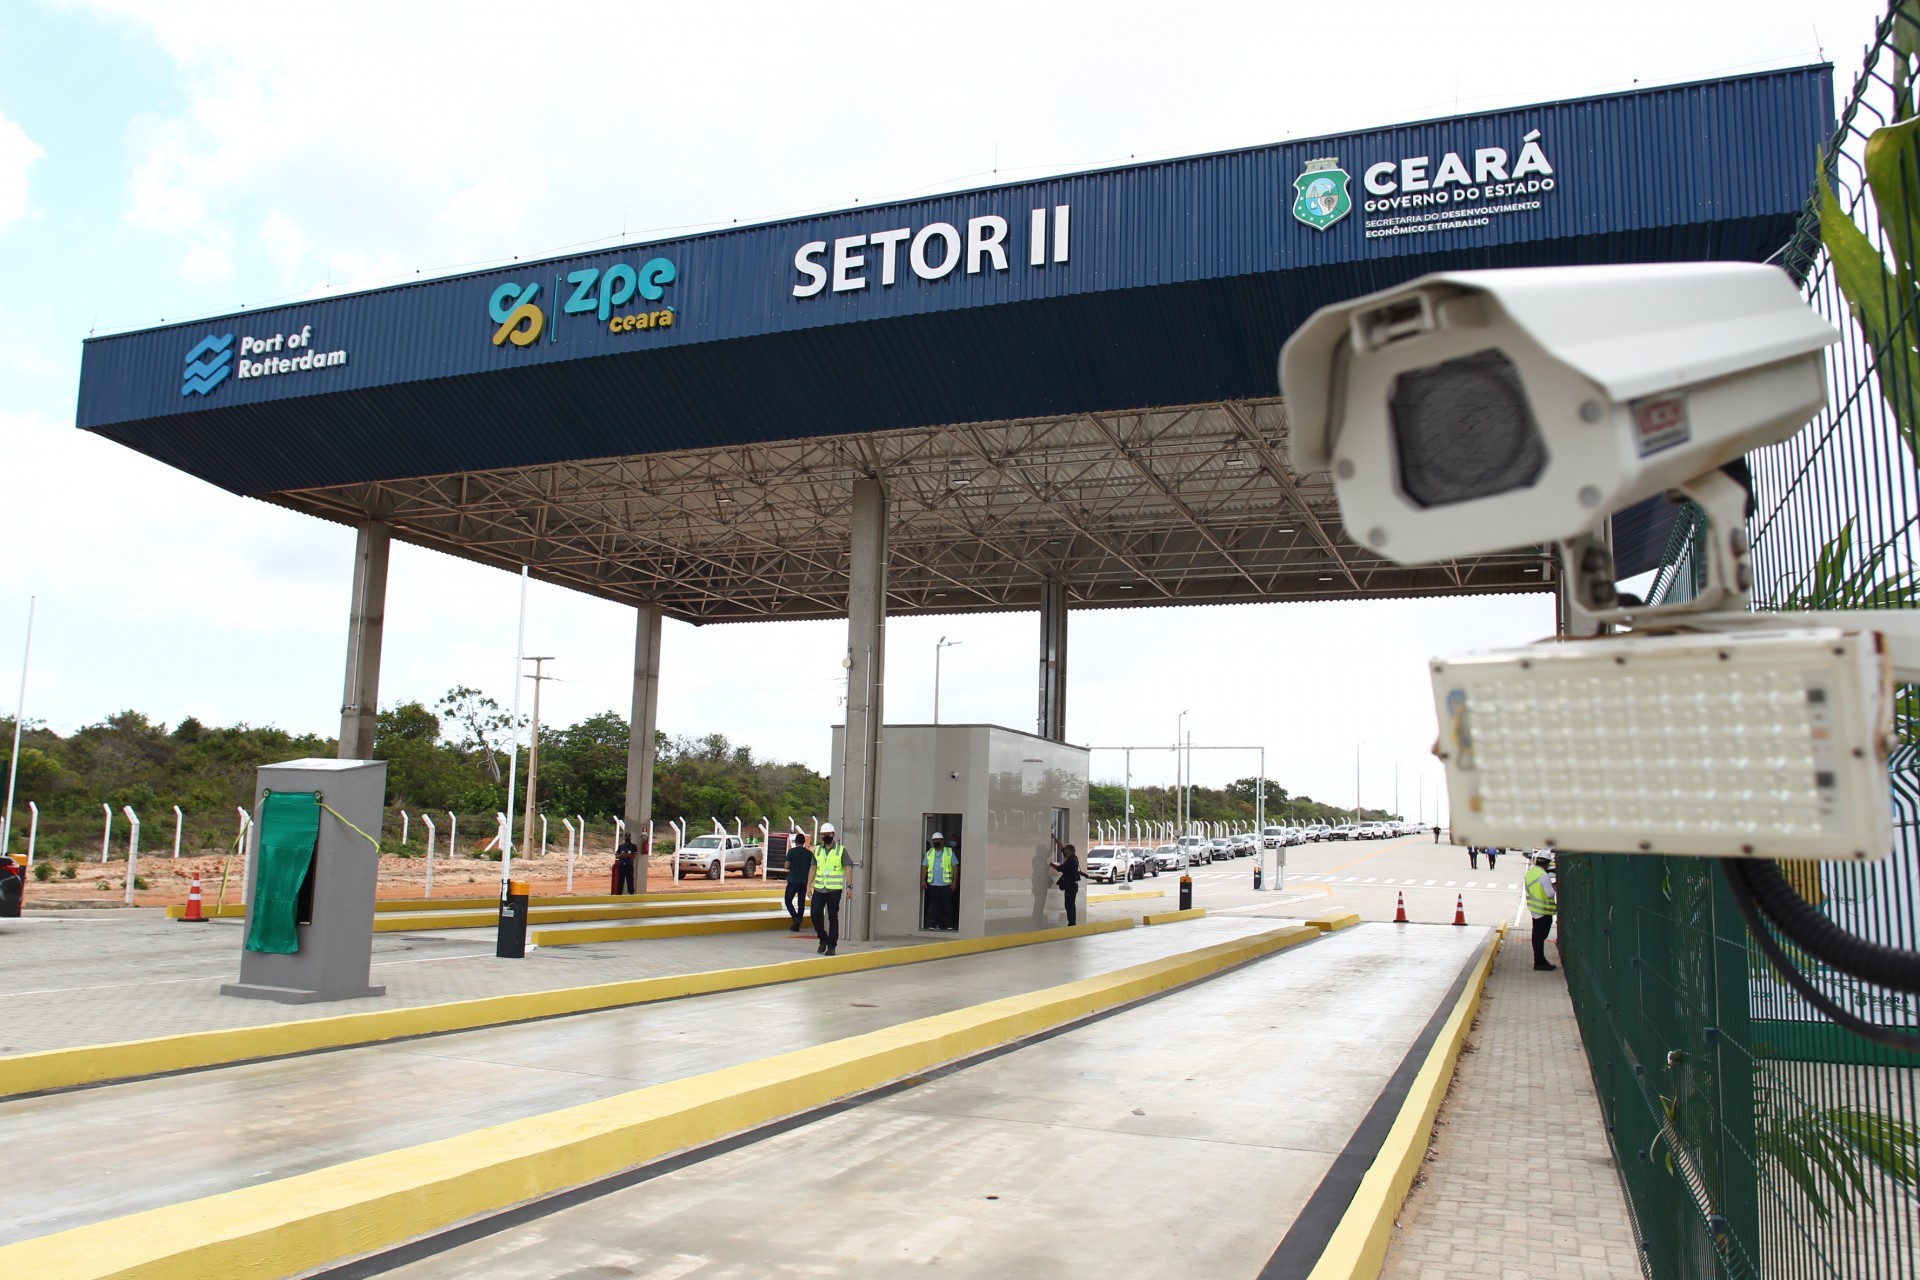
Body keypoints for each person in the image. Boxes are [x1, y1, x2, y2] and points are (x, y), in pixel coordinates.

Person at [810, 822, 848, 956]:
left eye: (828, 834)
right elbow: (813, 868)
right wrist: (809, 885)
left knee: (833, 917)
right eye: (824, 834)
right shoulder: (818, 850)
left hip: (834, 890)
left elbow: (848, 867)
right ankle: (823, 938)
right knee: (815, 914)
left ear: (833, 835)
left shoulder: (841, 850)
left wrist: (849, 886)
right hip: (819, 888)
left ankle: (832, 946)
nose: (826, 836)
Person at [1525, 851, 1558, 971]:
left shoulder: (1530, 873)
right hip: (1543, 909)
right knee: (1540, 936)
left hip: (1534, 908)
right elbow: (1549, 894)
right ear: (1548, 863)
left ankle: (1540, 959)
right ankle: (1539, 962)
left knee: (1536, 936)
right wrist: (1555, 886)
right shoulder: (1543, 875)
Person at [922, 831, 957, 931]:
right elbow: (924, 867)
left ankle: (950, 924)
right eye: (934, 840)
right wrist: (923, 881)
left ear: (942, 841)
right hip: (933, 884)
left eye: (938, 840)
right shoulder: (929, 853)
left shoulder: (949, 852)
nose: (936, 842)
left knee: (947, 905)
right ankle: (935, 924)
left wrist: (954, 881)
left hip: (946, 884)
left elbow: (955, 867)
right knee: (935, 905)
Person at [1047, 835, 1082, 928]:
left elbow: (1060, 868)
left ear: (1069, 851)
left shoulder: (1072, 861)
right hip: (1072, 885)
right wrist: (1054, 838)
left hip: (1071, 886)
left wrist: (1050, 863)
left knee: (1069, 904)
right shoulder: (1073, 858)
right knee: (1070, 904)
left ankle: (1072, 923)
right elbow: (1061, 847)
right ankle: (1072, 922)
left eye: (1066, 851)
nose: (1064, 852)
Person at [783, 831, 813, 932]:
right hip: (804, 882)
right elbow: (813, 868)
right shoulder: (809, 854)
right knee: (801, 903)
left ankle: (795, 917)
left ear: (796, 842)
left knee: (788, 900)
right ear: (804, 842)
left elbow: (786, 866)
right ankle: (798, 921)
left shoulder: (791, 852)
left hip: (793, 880)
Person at [612, 831, 639, 895]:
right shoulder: (621, 846)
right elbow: (616, 855)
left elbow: (634, 856)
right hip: (622, 865)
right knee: (620, 880)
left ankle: (631, 893)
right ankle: (619, 893)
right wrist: (621, 855)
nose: (627, 838)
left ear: (630, 838)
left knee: (630, 880)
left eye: (628, 836)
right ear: (624, 838)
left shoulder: (633, 846)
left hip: (629, 865)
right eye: (626, 836)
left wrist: (626, 855)